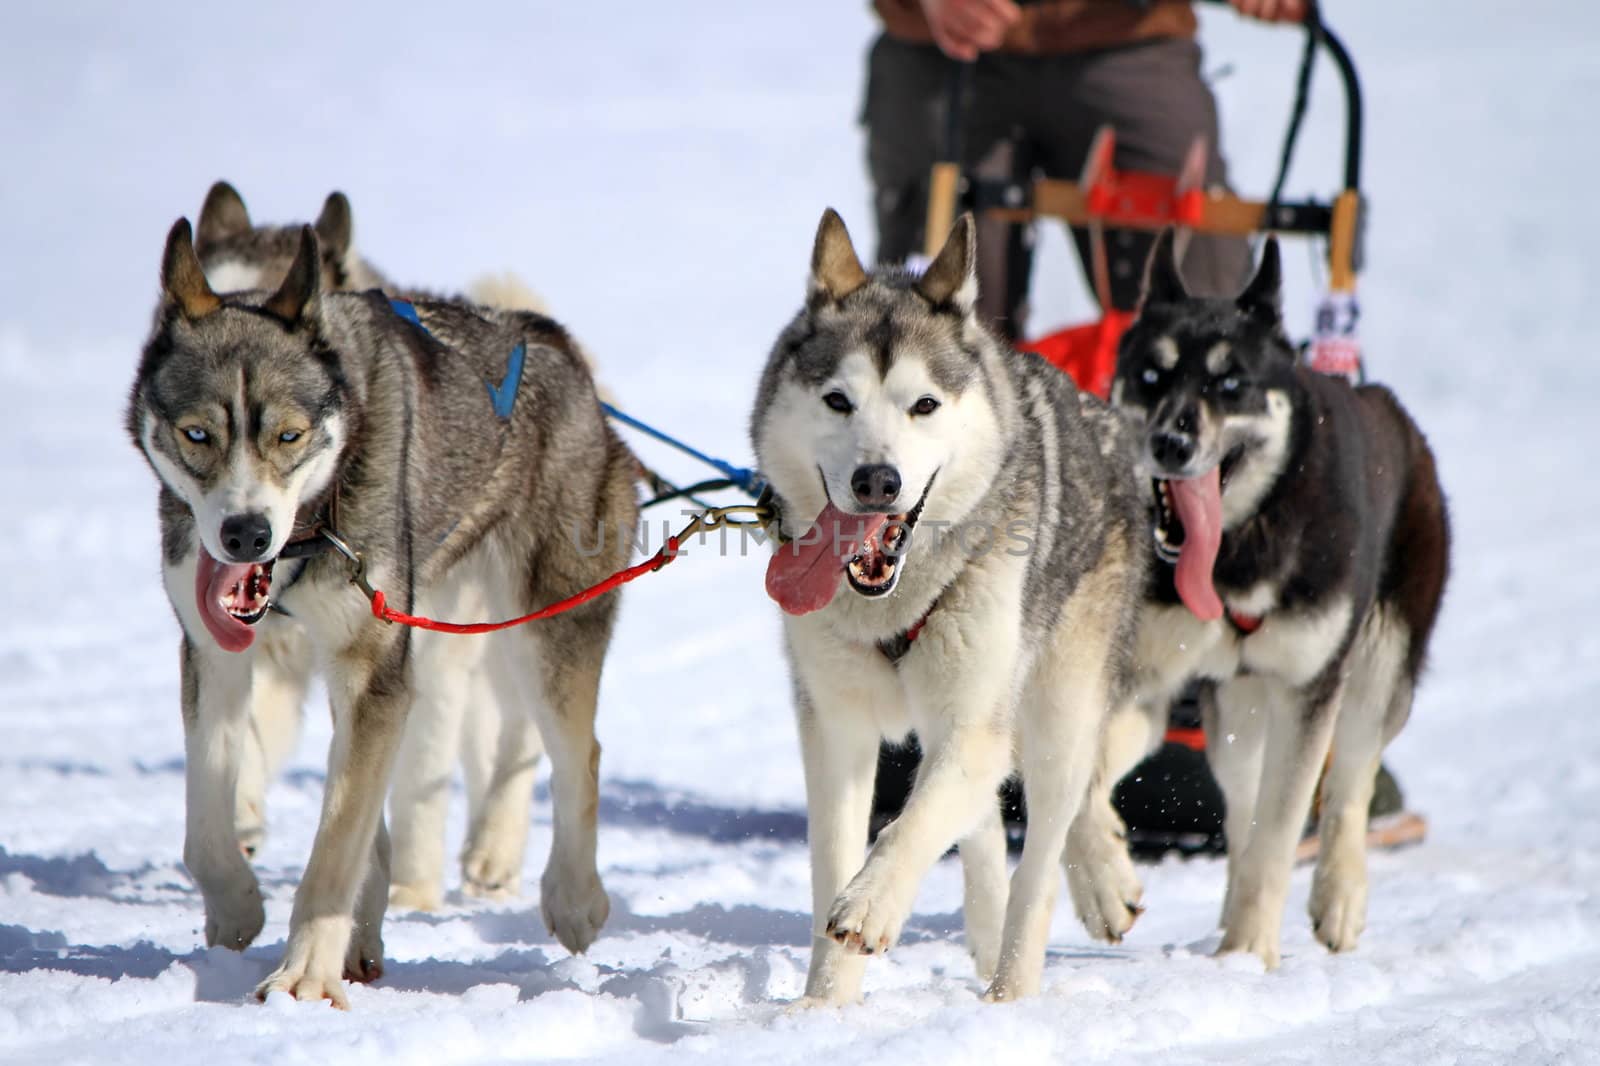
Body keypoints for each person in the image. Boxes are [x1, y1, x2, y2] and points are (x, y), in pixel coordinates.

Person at [860, 0, 1408, 854]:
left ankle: (1212, 700)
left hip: (1128, 36)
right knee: (925, 373)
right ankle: (925, 706)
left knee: (1206, 343)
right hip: (941, 52)